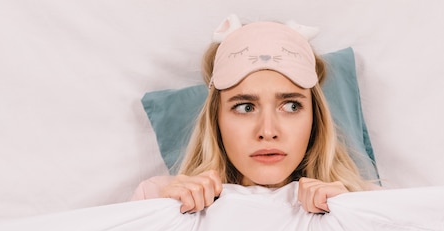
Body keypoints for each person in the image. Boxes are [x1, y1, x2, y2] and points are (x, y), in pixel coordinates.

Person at [132, 15, 379, 214]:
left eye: (291, 106)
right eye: (245, 107)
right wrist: (161, 215)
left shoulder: (366, 204)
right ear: (215, 120)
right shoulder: (158, 197)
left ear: (316, 119)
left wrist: (353, 218)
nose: (268, 131)